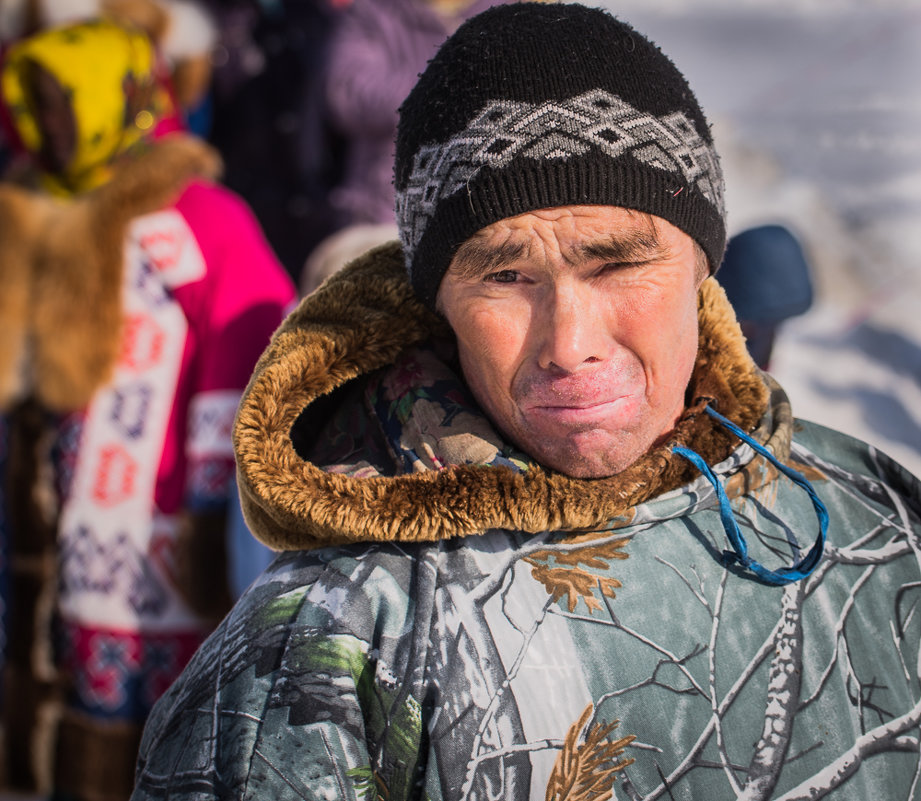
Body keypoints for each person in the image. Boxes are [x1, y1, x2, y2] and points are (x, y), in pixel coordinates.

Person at [131, 4, 921, 800]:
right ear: (437, 301)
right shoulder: (321, 654)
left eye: (615, 264)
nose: (568, 343)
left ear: (702, 266)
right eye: (506, 277)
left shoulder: (877, 523)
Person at [0, 18, 295, 801]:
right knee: (77, 711)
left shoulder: (200, 216)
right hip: (75, 517)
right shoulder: (45, 206)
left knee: (167, 728)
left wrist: (207, 505)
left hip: (158, 521)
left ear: (115, 100)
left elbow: (245, 349)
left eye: (65, 103)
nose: (50, 126)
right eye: (38, 106)